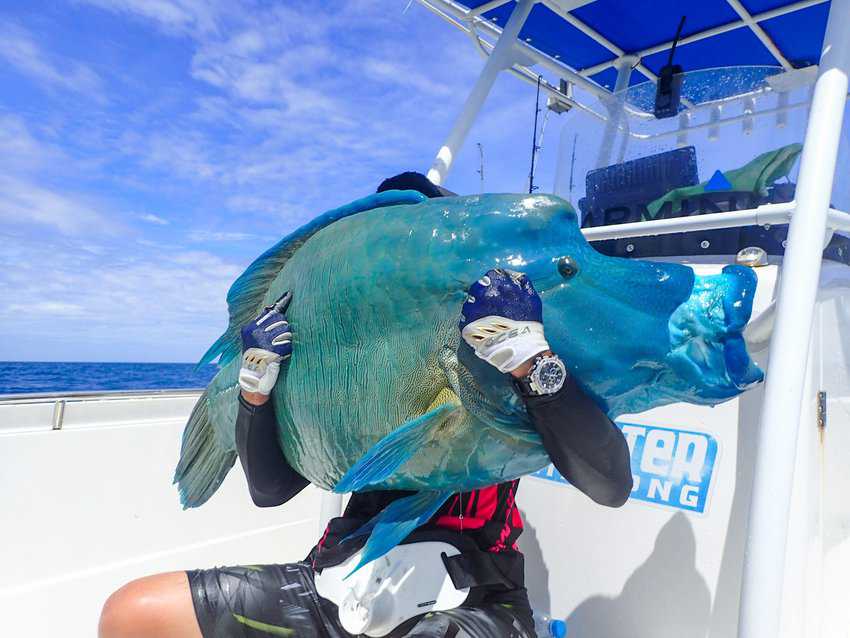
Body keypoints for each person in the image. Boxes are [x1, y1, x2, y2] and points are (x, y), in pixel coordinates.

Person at [99, 176, 632, 638]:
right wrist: (256, 393)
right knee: (135, 615)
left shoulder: (508, 341)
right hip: (341, 577)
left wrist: (527, 362)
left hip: (474, 591)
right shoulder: (344, 359)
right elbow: (272, 490)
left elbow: (611, 484)